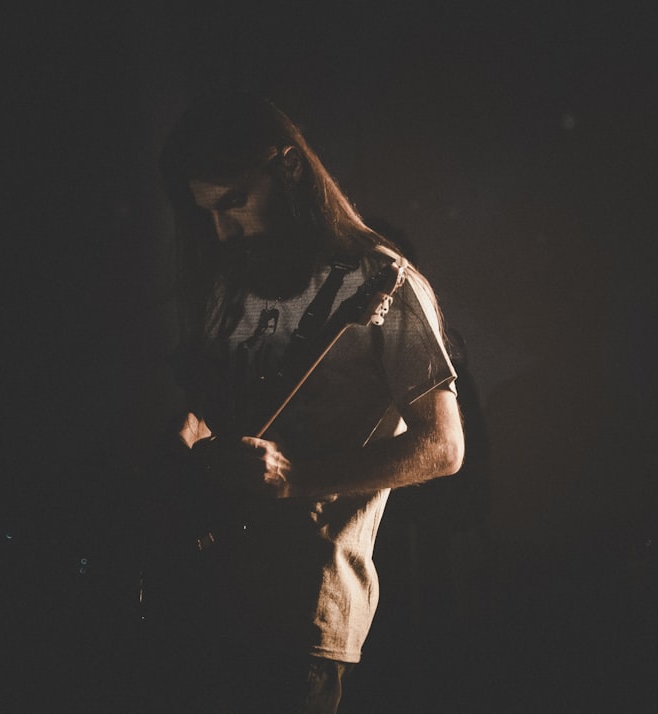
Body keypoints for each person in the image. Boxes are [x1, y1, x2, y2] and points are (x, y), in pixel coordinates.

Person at [145, 90, 464, 713]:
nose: (222, 229)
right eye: (206, 211)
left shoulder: (382, 282)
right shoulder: (229, 284)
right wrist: (174, 452)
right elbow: (209, 406)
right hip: (208, 591)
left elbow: (444, 447)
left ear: (288, 168)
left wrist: (296, 479)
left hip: (303, 608)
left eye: (235, 202)